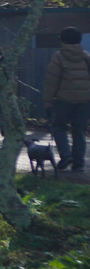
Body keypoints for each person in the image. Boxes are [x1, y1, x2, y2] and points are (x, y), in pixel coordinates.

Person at [42, 25, 90, 172]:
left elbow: (52, 80)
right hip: (84, 100)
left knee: (59, 127)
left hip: (64, 99)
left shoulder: (58, 56)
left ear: (62, 40)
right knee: (79, 131)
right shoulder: (86, 56)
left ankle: (65, 155)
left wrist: (47, 99)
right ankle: (79, 163)